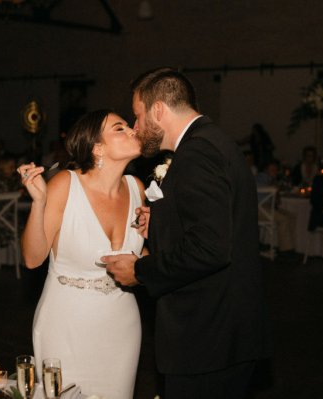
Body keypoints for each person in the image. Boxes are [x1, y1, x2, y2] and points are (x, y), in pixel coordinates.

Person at [104, 67, 269, 398]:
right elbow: (220, 224)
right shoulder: (213, 141)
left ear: (159, 110)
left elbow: (209, 248)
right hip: (226, 333)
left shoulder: (197, 153)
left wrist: (139, 270)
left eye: (137, 116)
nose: (136, 127)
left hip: (209, 336)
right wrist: (164, 220)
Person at [18, 110, 145, 398]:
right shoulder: (65, 184)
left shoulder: (136, 189)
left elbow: (142, 253)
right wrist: (38, 203)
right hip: (67, 324)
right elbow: (32, 258)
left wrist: (144, 265)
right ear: (97, 147)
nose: (132, 130)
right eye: (120, 128)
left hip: (122, 324)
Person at [256, 159, 296, 256]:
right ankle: (286, 250)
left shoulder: (270, 179)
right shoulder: (260, 177)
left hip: (267, 207)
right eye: (272, 170)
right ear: (266, 170)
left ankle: (286, 245)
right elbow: (261, 189)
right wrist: (274, 188)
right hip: (259, 209)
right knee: (283, 219)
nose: (275, 172)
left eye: (276, 170)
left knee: (291, 216)